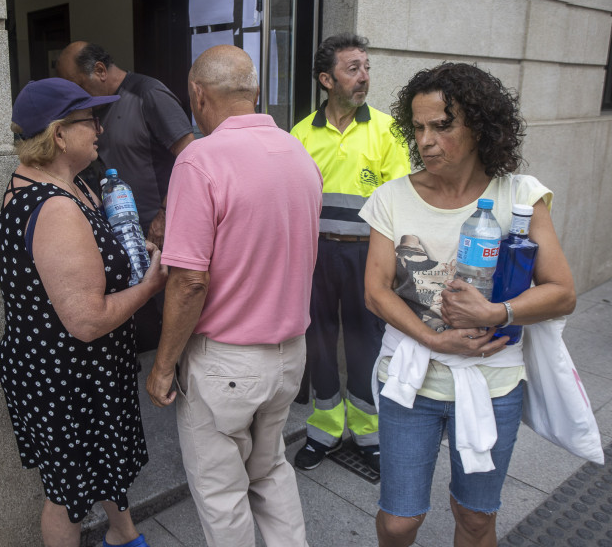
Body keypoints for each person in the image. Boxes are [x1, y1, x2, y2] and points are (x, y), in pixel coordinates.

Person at [359, 62, 576, 547]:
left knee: (476, 518)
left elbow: (562, 292)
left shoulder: (519, 196)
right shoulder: (391, 198)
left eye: (442, 124)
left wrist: (498, 313)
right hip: (411, 378)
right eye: (417, 127)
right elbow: (375, 292)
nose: (426, 140)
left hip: (491, 382)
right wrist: (434, 337)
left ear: (479, 128)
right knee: (399, 521)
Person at [145, 45, 323, 547]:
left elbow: (189, 280)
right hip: (289, 354)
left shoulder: (199, 161)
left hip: (226, 364)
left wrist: (162, 367)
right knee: (270, 471)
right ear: (255, 91)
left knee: (223, 495)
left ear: (198, 95)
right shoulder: (297, 153)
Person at [0, 77, 168, 547]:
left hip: (85, 371)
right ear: (58, 134)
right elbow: (87, 320)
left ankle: (122, 533)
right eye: (89, 119)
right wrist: (152, 284)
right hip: (64, 378)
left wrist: (137, 253)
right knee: (67, 495)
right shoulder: (53, 207)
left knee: (105, 465)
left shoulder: (72, 186)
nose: (100, 128)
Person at [290, 34, 410, 472]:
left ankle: (366, 431)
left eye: (366, 67)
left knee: (366, 343)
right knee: (318, 341)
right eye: (353, 68)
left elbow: (398, 202)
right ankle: (324, 428)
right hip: (316, 256)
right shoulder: (299, 135)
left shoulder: (387, 130)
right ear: (327, 79)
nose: (364, 77)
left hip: (367, 256)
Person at [57, 41, 194, 354]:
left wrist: (164, 214)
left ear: (101, 70)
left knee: (169, 316)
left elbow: (190, 156)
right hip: (125, 228)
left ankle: (169, 379)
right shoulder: (94, 108)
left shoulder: (147, 94)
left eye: (76, 83)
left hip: (161, 228)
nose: (74, 94)